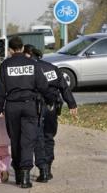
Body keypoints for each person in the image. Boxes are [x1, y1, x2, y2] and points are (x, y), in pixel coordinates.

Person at [0, 36, 55, 188]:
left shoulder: (5, 65)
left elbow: (0, 89)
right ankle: (26, 177)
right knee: (28, 141)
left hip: (12, 106)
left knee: (15, 140)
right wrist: (50, 100)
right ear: (22, 48)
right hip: (30, 106)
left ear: (10, 50)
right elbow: (42, 85)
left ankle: (19, 175)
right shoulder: (32, 64)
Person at [23, 45, 77, 182]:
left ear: (28, 54)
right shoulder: (52, 67)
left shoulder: (29, 69)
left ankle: (43, 170)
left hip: (36, 106)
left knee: (38, 138)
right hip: (52, 107)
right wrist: (72, 104)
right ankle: (48, 167)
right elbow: (64, 87)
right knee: (49, 137)